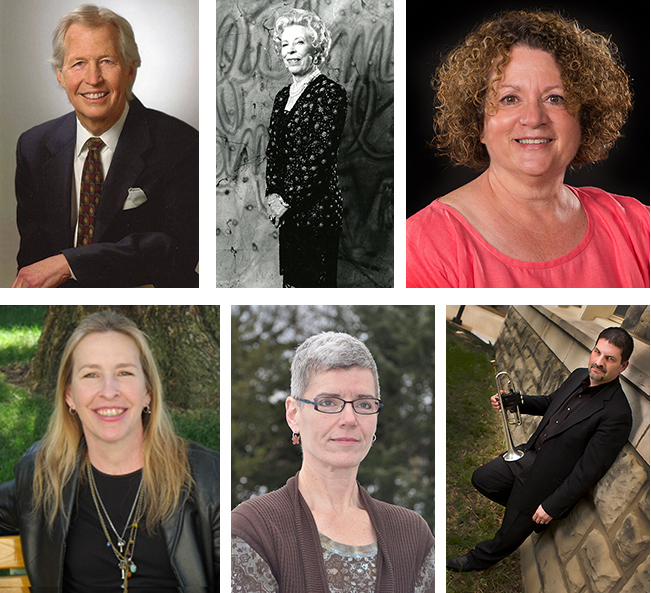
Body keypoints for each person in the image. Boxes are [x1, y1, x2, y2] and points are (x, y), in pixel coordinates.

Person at [406, 10, 650, 288]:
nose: (534, 118)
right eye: (510, 98)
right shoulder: (423, 245)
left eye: (555, 98)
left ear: (585, 117)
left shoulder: (638, 227)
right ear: (479, 122)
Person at [0, 311, 219, 591]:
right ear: (70, 396)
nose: (109, 390)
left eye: (124, 373)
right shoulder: (44, 478)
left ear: (148, 391)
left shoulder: (206, 479)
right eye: (91, 374)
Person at [232, 332, 435, 592]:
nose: (349, 418)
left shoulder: (413, 534)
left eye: (363, 404)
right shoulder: (254, 530)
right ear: (294, 414)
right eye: (328, 402)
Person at [13, 5, 198, 288]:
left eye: (107, 61)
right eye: (78, 63)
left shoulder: (181, 145)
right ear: (60, 75)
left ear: (129, 70)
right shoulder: (33, 147)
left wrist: (69, 263)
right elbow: (33, 265)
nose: (93, 79)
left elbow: (178, 251)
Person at [447, 327, 634, 572]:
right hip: (528, 455)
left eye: (609, 358)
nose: (598, 362)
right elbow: (549, 402)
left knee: (507, 534)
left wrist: (552, 506)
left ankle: (476, 560)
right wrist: (516, 401)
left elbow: (588, 471)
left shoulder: (618, 413)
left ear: (623, 366)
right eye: (597, 352)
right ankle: (525, 517)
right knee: (482, 479)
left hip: (547, 481)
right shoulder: (579, 374)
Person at [265, 9, 348, 287]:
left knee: (314, 284)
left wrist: (286, 200)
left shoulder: (330, 94)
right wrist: (273, 194)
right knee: (292, 282)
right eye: (285, 44)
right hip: (288, 211)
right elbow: (274, 150)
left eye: (298, 43)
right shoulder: (281, 97)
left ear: (315, 48)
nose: (290, 51)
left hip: (318, 210)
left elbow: (319, 155)